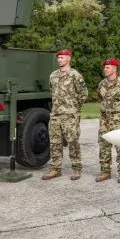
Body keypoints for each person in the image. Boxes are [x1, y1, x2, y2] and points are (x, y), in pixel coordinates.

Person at [42, 48, 88, 181]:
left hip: (70, 115)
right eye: (58, 58)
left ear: (68, 58)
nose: (59, 59)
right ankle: (55, 169)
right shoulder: (53, 75)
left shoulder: (75, 75)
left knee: (73, 142)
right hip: (55, 115)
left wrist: (75, 109)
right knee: (54, 143)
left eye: (62, 57)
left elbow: (84, 93)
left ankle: (76, 168)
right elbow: (52, 92)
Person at [96, 57, 120, 183]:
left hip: (118, 120)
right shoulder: (102, 84)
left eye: (107, 67)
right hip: (104, 121)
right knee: (103, 146)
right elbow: (100, 98)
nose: (105, 69)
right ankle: (105, 171)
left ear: (114, 68)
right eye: (104, 67)